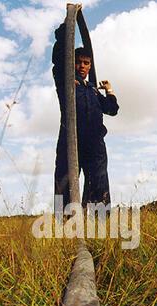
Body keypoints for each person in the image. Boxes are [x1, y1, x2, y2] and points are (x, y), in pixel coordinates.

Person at [52, 22, 119, 211]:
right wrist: (68, 22)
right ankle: (65, 223)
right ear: (72, 62)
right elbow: (58, 59)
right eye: (78, 62)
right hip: (70, 140)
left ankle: (98, 224)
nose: (82, 66)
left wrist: (109, 90)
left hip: (95, 144)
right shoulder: (65, 80)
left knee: (98, 183)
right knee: (64, 181)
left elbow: (112, 109)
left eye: (86, 63)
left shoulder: (93, 90)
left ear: (90, 66)